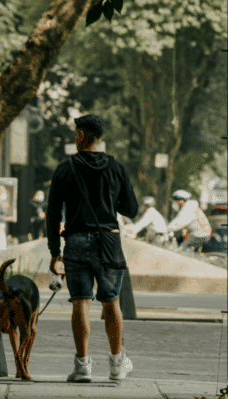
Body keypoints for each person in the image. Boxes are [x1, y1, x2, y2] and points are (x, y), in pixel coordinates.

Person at [46, 114, 139, 382]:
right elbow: (130, 208)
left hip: (75, 242)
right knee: (111, 302)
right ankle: (117, 364)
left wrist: (55, 252)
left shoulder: (65, 169)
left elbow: (52, 215)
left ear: (81, 136)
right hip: (108, 242)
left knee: (81, 302)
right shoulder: (117, 168)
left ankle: (83, 366)